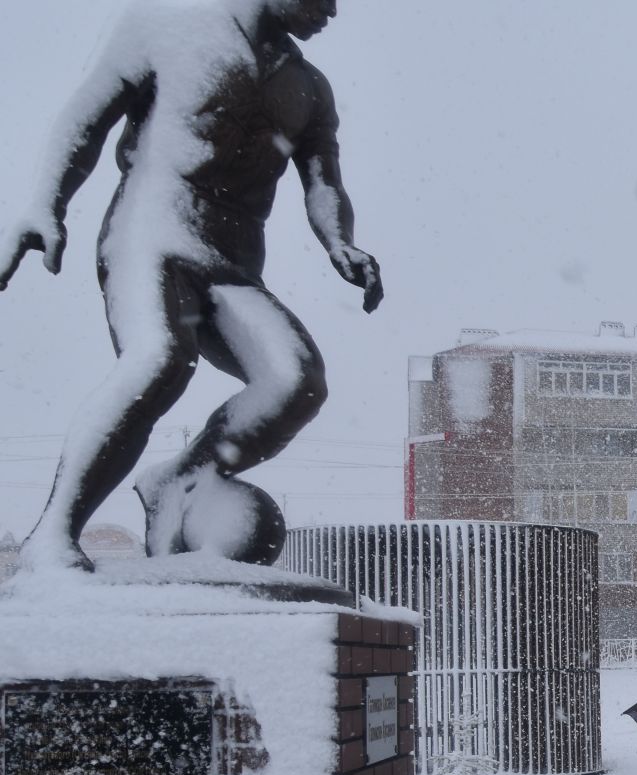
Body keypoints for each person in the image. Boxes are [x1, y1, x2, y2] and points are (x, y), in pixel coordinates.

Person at [1, 0, 382, 573]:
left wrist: (339, 242)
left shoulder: (309, 87)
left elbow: (323, 180)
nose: (331, 9)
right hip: (150, 227)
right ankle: (51, 537)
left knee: (295, 381)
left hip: (232, 261)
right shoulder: (165, 26)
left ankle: (179, 480)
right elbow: (86, 118)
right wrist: (45, 205)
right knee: (158, 360)